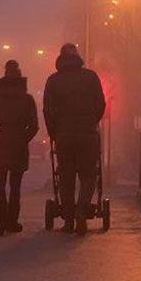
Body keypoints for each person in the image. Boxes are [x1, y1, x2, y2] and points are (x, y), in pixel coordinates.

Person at [43, 43, 105, 235]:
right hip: (87, 134)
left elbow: (48, 110)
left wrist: (54, 133)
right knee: (88, 175)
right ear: (78, 57)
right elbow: (100, 104)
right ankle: (81, 210)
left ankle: (68, 219)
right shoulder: (90, 77)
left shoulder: (53, 81)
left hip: (64, 135)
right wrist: (92, 122)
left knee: (66, 177)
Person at [0, 60, 38, 236]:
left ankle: (0, 222)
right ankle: (13, 221)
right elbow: (34, 126)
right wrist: (23, 139)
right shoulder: (27, 99)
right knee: (15, 186)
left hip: (0, 145)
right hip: (18, 146)